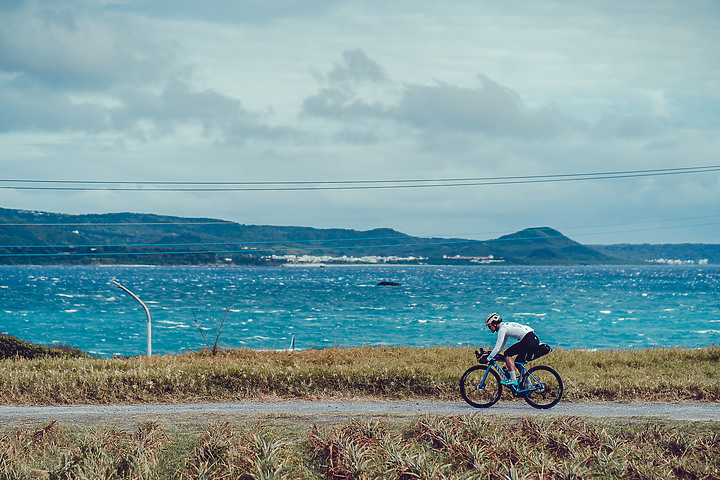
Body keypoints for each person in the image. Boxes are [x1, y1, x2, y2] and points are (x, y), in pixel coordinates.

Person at [484, 312, 540, 386]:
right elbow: (502, 345)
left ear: (494, 323)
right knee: (519, 363)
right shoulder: (505, 326)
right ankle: (529, 385)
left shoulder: (502, 329)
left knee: (507, 354)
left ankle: (513, 380)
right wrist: (493, 354)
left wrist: (488, 359)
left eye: (489, 326)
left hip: (528, 340)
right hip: (533, 339)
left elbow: (497, 347)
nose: (489, 329)